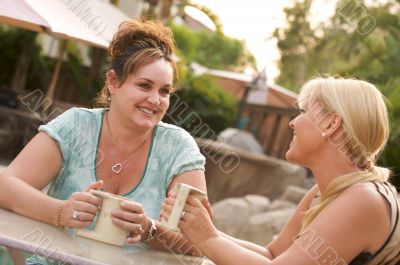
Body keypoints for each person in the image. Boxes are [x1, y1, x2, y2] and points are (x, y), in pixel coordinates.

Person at [0, 19, 207, 264]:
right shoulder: (76, 126)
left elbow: (200, 242)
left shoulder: (178, 148)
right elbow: (6, 186)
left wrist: (150, 229)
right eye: (144, 85)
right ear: (113, 82)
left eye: (164, 91)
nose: (156, 100)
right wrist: (60, 212)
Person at [163, 77, 400, 265]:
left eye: (304, 112)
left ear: (331, 124)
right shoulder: (324, 192)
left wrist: (207, 237)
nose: (293, 122)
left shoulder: (363, 199)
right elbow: (272, 254)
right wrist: (200, 228)